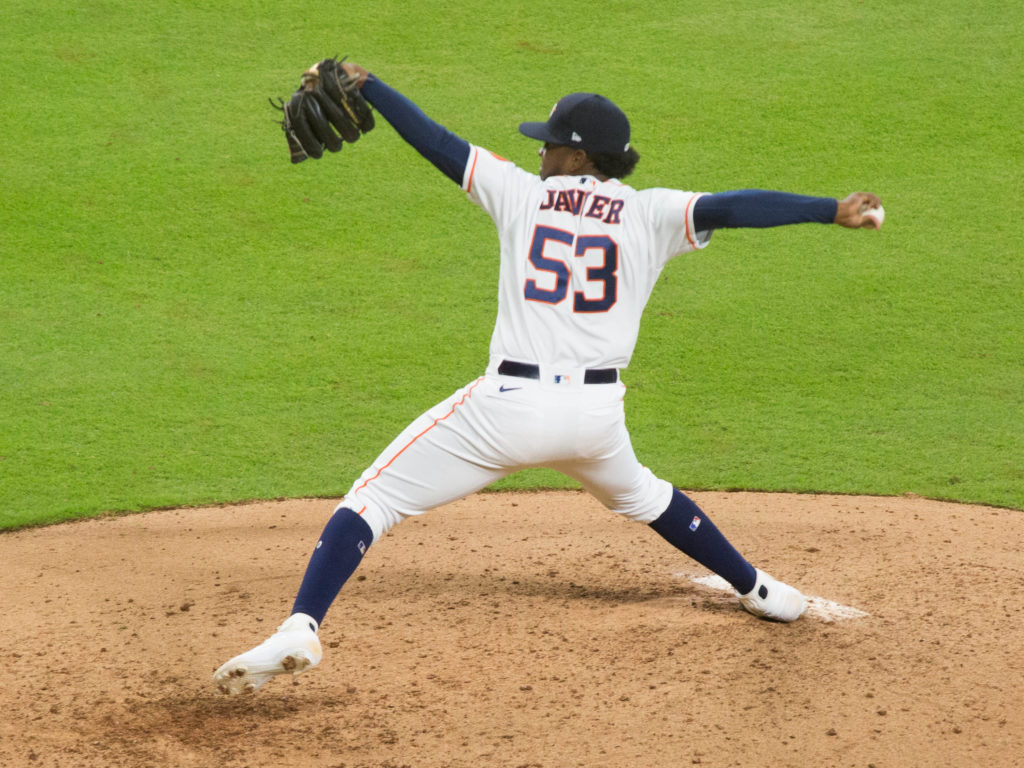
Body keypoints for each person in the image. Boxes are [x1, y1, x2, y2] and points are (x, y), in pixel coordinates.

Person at [213, 62, 882, 695]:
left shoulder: (521, 196)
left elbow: (439, 144)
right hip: (595, 422)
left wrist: (373, 87)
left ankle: (300, 626)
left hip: (507, 411)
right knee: (645, 496)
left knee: (373, 499)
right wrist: (832, 209)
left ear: (579, 156)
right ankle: (762, 591)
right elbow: (734, 206)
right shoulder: (651, 212)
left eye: (551, 144)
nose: (540, 153)